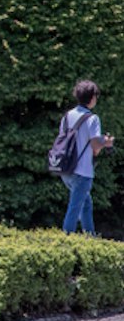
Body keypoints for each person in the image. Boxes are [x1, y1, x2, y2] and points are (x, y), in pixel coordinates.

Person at [60, 80, 113, 235]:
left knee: (86, 203)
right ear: (92, 98)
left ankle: (90, 236)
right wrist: (107, 143)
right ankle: (66, 239)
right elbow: (95, 148)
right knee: (75, 207)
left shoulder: (67, 116)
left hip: (65, 168)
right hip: (82, 171)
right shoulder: (92, 119)